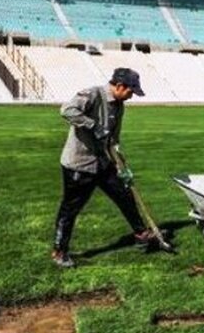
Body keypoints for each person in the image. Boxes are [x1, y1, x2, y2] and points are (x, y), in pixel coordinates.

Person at [51, 67, 152, 268]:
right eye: (130, 92)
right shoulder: (92, 94)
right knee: (70, 208)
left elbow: (114, 138)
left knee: (125, 195)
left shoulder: (120, 105)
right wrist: (93, 125)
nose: (131, 96)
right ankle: (59, 251)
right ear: (120, 86)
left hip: (104, 162)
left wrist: (121, 164)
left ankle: (141, 233)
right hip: (79, 164)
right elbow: (67, 110)